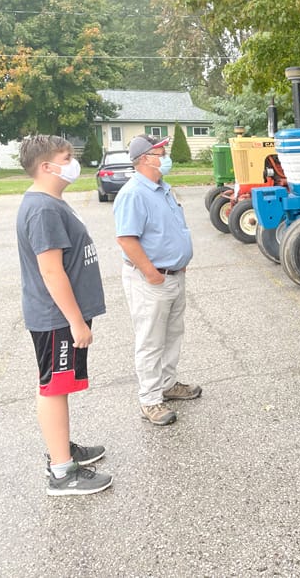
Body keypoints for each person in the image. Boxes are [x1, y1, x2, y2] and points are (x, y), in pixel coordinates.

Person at [16, 135, 113, 496]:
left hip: (62, 317)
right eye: (66, 157)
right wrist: (75, 321)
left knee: (60, 385)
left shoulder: (52, 202)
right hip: (56, 319)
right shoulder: (43, 209)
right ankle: (61, 472)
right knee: (54, 388)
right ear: (46, 167)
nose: (73, 162)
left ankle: (63, 447)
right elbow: (51, 271)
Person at [114, 135, 199, 426]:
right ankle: (150, 400)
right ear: (146, 159)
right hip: (151, 280)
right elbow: (126, 238)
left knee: (173, 333)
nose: (165, 155)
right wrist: (151, 273)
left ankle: (167, 384)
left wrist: (180, 261)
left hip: (173, 275)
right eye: (160, 151)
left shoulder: (162, 188)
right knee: (151, 341)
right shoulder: (133, 193)